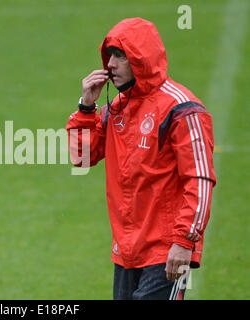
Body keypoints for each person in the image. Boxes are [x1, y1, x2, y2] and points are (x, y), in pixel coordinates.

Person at [66, 18, 216, 300]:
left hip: (167, 250)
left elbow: (200, 181)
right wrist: (86, 107)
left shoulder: (182, 109)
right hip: (126, 252)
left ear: (141, 58)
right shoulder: (117, 108)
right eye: (109, 55)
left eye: (120, 55)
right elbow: (82, 157)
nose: (110, 64)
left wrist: (184, 241)